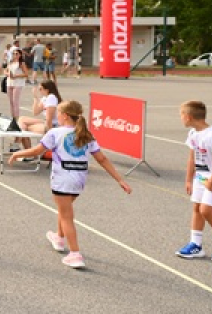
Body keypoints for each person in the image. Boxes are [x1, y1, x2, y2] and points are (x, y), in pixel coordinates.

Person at [10, 100, 131, 268]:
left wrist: (17, 154)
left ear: (65, 116)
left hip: (62, 179)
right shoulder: (86, 135)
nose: (57, 116)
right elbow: (102, 159)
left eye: (58, 113)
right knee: (64, 209)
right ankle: (59, 237)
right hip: (79, 180)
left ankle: (75, 254)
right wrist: (119, 179)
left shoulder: (55, 133)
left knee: (67, 216)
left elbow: (37, 151)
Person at [174, 101, 212, 263]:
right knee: (197, 208)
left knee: (206, 211)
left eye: (181, 115)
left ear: (188, 117)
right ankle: (196, 244)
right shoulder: (193, 133)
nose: (180, 118)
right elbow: (192, 158)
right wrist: (189, 179)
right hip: (202, 175)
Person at [17, 80, 62, 153]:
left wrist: (50, 135)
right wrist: (35, 98)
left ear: (47, 90)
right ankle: (23, 148)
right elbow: (35, 112)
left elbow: (49, 118)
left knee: (24, 128)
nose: (39, 90)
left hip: (52, 125)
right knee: (22, 120)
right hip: (46, 122)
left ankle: (22, 148)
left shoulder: (51, 98)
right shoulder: (45, 98)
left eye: (40, 89)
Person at [5, 48, 29, 119]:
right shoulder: (10, 62)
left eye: (16, 54)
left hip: (18, 83)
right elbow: (5, 70)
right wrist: (7, 74)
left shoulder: (21, 63)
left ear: (20, 55)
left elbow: (26, 74)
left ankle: (17, 118)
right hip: (9, 83)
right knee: (11, 102)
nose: (15, 55)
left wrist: (16, 76)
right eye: (13, 54)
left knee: (15, 102)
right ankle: (13, 118)